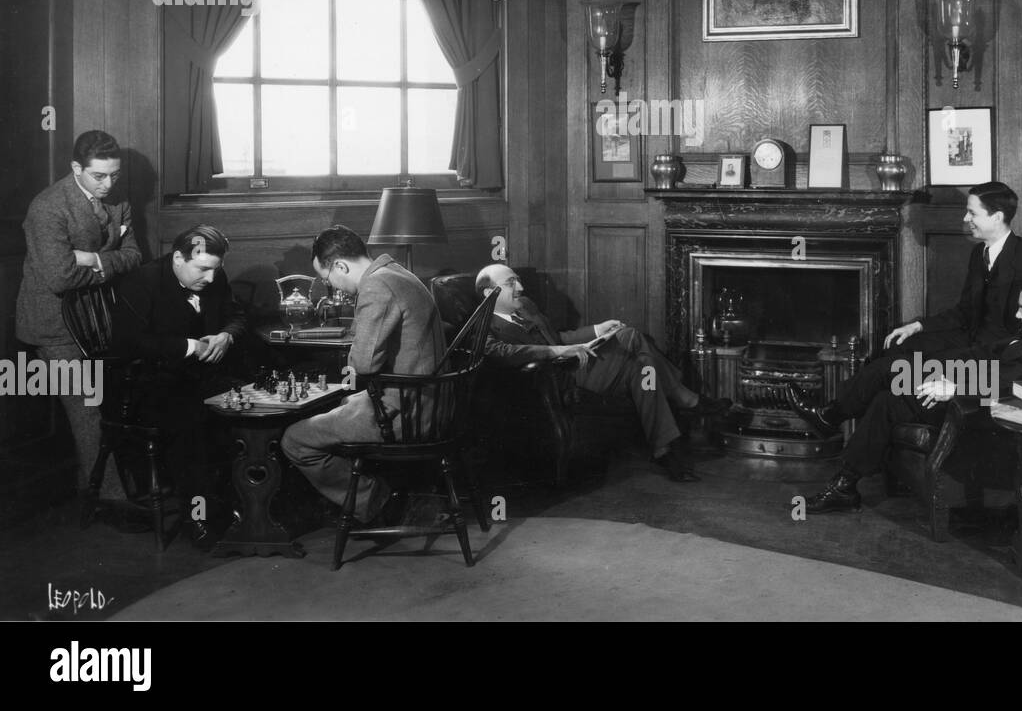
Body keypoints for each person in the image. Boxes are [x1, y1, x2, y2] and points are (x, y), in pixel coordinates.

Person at [787, 180, 1022, 513]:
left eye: (972, 213)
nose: (966, 220)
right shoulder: (979, 255)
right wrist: (919, 325)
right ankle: (839, 447)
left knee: (893, 375)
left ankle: (832, 429)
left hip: (984, 368)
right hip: (974, 354)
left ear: (997, 216)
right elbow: (965, 312)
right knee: (894, 358)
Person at [810, 279, 1022, 512]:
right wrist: (936, 368)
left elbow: (1020, 385)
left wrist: (956, 387)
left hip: (981, 412)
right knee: (888, 398)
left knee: (887, 369)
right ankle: (844, 485)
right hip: (959, 389)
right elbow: (981, 354)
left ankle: (829, 417)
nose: (1018, 316)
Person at [475, 263, 730, 482]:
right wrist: (558, 352)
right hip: (555, 380)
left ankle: (664, 450)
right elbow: (503, 352)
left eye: (518, 281)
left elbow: (557, 336)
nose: (520, 288)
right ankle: (687, 399)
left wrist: (598, 329)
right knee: (631, 336)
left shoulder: (526, 306)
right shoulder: (482, 325)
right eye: (511, 283)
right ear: (490, 292)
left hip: (578, 364)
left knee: (643, 369)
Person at [282, 226, 445, 526]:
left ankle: (377, 502)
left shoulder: (377, 286)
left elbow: (364, 364)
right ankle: (369, 498)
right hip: (428, 401)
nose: (334, 288)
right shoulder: (396, 272)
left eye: (327, 280)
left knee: (295, 439)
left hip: (407, 413)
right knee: (337, 406)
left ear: (341, 266)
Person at [16, 129, 142, 498]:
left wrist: (94, 259)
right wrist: (105, 264)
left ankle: (106, 486)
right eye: (98, 176)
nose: (108, 184)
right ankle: (111, 498)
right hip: (53, 324)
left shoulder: (118, 200)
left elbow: (135, 255)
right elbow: (59, 276)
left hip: (99, 321)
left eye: (114, 174)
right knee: (88, 410)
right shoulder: (48, 206)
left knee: (112, 403)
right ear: (76, 168)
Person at [111, 225, 247, 549]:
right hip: (149, 385)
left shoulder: (215, 276)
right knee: (193, 424)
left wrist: (227, 335)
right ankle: (198, 519)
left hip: (202, 379)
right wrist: (188, 346)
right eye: (203, 269)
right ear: (177, 259)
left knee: (250, 408)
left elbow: (238, 316)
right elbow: (128, 343)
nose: (211, 279)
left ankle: (243, 504)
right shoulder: (142, 282)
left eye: (216, 269)